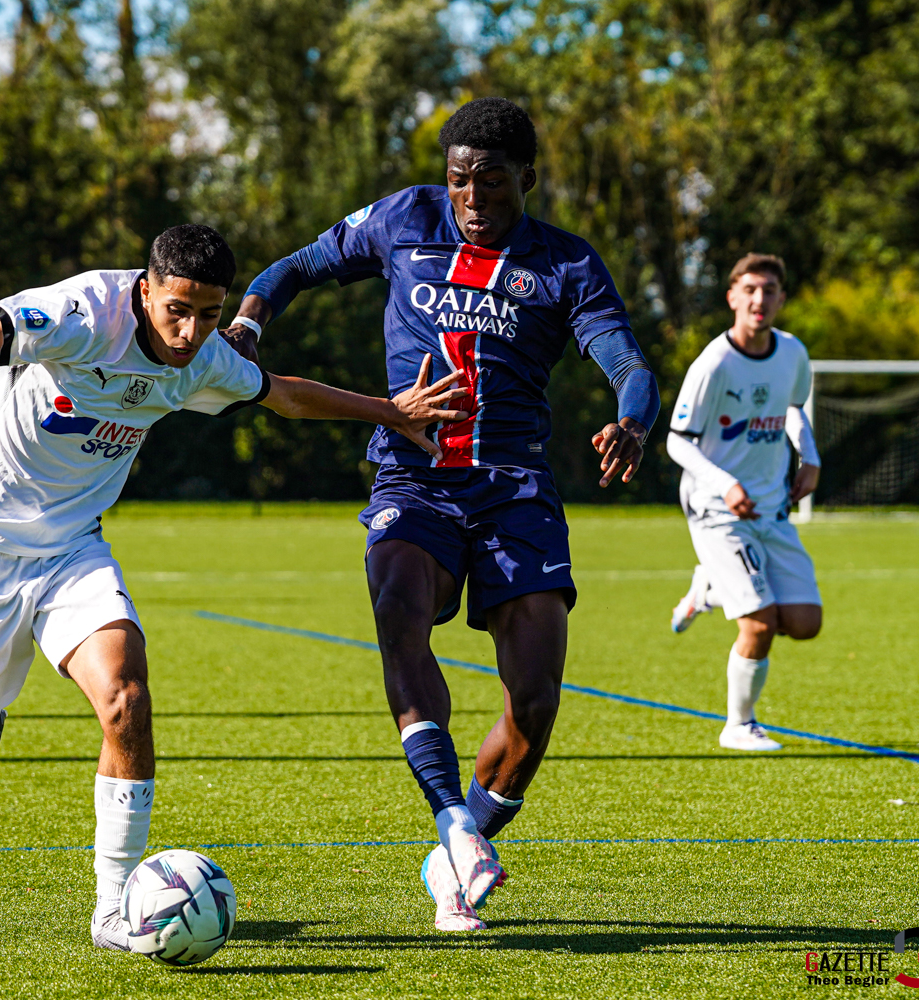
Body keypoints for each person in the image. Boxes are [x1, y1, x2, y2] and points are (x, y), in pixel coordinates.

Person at [0, 224, 460, 950]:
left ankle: (113, 908)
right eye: (177, 309)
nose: (189, 332)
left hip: (72, 555)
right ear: (145, 290)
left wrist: (390, 411)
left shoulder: (203, 360)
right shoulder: (82, 315)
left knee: (127, 697)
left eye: (208, 314)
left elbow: (284, 396)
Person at [224, 98, 660, 931]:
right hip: (412, 478)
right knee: (398, 607)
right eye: (460, 180)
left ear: (526, 180)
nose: (471, 198)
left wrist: (631, 420)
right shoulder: (402, 217)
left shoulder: (565, 263)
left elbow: (625, 359)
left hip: (514, 489)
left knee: (533, 702)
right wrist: (247, 323)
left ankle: (457, 851)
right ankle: (452, 823)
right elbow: (295, 268)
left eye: (491, 183)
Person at [666, 253, 822, 751]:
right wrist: (725, 484)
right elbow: (677, 441)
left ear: (781, 298)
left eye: (770, 290)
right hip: (716, 509)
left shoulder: (793, 353)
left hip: (771, 504)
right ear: (732, 296)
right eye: (750, 289)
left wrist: (810, 455)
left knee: (804, 623)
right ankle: (739, 725)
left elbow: (793, 409)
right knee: (760, 622)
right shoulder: (714, 363)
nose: (760, 299)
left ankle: (708, 588)